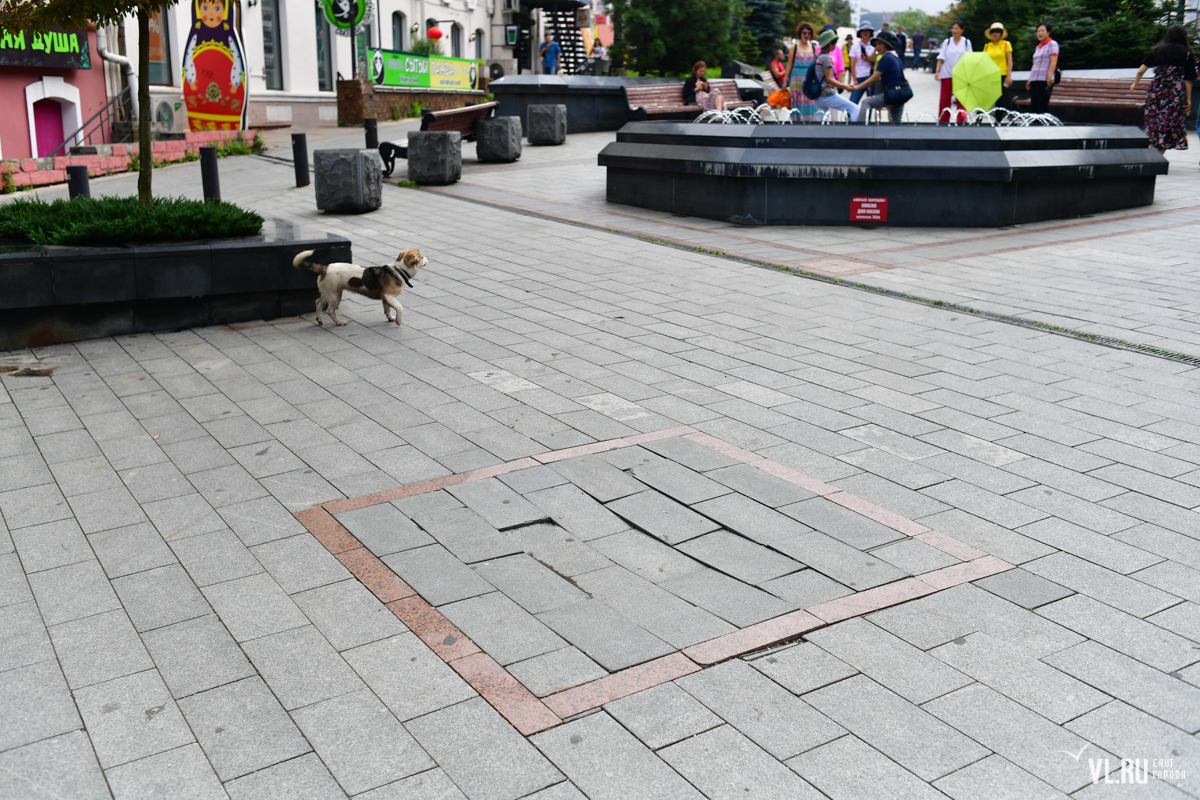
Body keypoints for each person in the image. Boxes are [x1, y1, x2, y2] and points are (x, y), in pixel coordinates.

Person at [1132, 24, 1196, 153]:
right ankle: (1158, 154)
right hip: (1175, 92)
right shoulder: (1187, 53)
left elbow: (1141, 71)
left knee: (1154, 121)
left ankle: (1152, 150)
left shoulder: (1158, 50)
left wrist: (1135, 84)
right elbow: (1188, 78)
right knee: (1169, 124)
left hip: (1157, 90)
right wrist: (1188, 98)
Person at [853, 30, 907, 123]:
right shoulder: (895, 56)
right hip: (900, 94)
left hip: (893, 94)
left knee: (866, 102)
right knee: (896, 123)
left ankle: (859, 128)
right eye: (876, 44)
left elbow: (874, 77)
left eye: (880, 44)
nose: (877, 47)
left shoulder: (886, 58)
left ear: (887, 45)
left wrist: (857, 87)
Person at [811, 28, 860, 121]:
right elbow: (829, 79)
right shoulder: (826, 58)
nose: (834, 45)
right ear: (827, 44)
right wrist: (845, 86)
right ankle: (855, 130)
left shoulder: (819, 57)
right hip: (827, 94)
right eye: (833, 42)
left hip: (819, 95)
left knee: (824, 121)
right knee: (854, 108)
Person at [936, 20, 972, 121]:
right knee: (945, 99)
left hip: (961, 75)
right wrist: (937, 71)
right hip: (947, 74)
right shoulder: (947, 42)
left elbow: (969, 60)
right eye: (953, 28)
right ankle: (943, 121)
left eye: (957, 28)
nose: (954, 30)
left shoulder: (966, 43)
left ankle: (961, 120)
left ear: (962, 30)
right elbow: (941, 57)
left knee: (961, 99)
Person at [785, 23, 820, 120]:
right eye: (804, 32)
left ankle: (809, 123)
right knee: (797, 101)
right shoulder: (794, 48)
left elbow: (816, 66)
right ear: (800, 34)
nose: (806, 35)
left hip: (808, 79)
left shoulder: (813, 47)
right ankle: (797, 123)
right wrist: (785, 82)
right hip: (796, 80)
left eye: (809, 33)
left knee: (810, 101)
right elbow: (789, 65)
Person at [1026, 21, 1059, 114]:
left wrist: (1050, 76)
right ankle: (1035, 122)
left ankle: (1044, 123)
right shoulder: (1038, 47)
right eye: (1038, 31)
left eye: (1042, 31)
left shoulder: (1052, 44)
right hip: (1035, 79)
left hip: (1044, 79)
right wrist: (1030, 79)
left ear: (1048, 32)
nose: (1040, 33)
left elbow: (1053, 61)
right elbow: (1035, 64)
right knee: (1034, 105)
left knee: (1042, 105)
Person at [849, 21, 876, 104]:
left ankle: (868, 113)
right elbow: (852, 64)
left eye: (867, 31)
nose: (865, 33)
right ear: (860, 33)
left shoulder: (874, 47)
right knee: (853, 102)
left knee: (871, 102)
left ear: (870, 32)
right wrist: (854, 79)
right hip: (859, 77)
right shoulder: (855, 47)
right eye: (863, 31)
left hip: (871, 77)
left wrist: (867, 59)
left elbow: (876, 63)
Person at [984, 22, 1013, 89]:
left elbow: (1010, 60)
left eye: (997, 31)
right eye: (992, 32)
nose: (994, 34)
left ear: (1001, 33)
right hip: (990, 74)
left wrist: (1009, 75)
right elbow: (984, 62)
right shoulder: (987, 46)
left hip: (1002, 74)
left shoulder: (1006, 44)